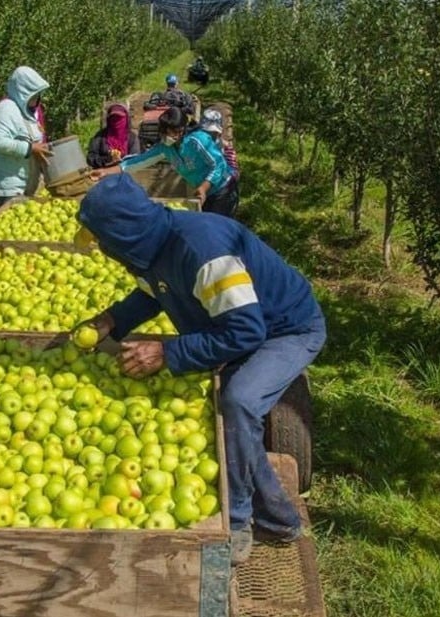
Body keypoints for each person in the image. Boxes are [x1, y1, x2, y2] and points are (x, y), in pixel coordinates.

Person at [73, 173, 327, 566]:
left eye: (104, 243)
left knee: (238, 402)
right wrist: (111, 321)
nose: (104, 252)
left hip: (286, 329)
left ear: (121, 235)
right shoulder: (151, 247)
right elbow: (151, 294)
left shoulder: (204, 252)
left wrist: (167, 355)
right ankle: (280, 518)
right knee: (227, 413)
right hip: (233, 324)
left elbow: (246, 330)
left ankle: (238, 522)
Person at [92, 106, 239, 217]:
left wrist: (204, 187)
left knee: (217, 228)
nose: (166, 137)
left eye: (171, 132)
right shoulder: (165, 148)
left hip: (222, 189)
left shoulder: (197, 140)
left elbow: (218, 164)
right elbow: (136, 162)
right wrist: (105, 172)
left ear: (181, 130)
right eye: (164, 132)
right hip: (203, 193)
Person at [0, 66, 50, 224]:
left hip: (25, 184)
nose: (38, 98)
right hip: (10, 187)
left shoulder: (26, 111)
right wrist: (30, 148)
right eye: (34, 94)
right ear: (23, 92)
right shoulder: (7, 108)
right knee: (10, 229)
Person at [86, 103, 141, 169]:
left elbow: (135, 160)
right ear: (109, 120)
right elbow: (90, 158)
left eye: (119, 118)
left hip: (125, 173)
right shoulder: (100, 136)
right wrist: (107, 160)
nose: (116, 121)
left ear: (126, 119)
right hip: (103, 173)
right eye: (113, 118)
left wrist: (122, 160)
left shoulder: (132, 138)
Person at [200, 107, 239, 181]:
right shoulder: (197, 145)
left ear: (219, 132)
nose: (210, 136)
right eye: (207, 133)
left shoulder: (225, 147)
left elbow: (234, 170)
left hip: (221, 180)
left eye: (213, 133)